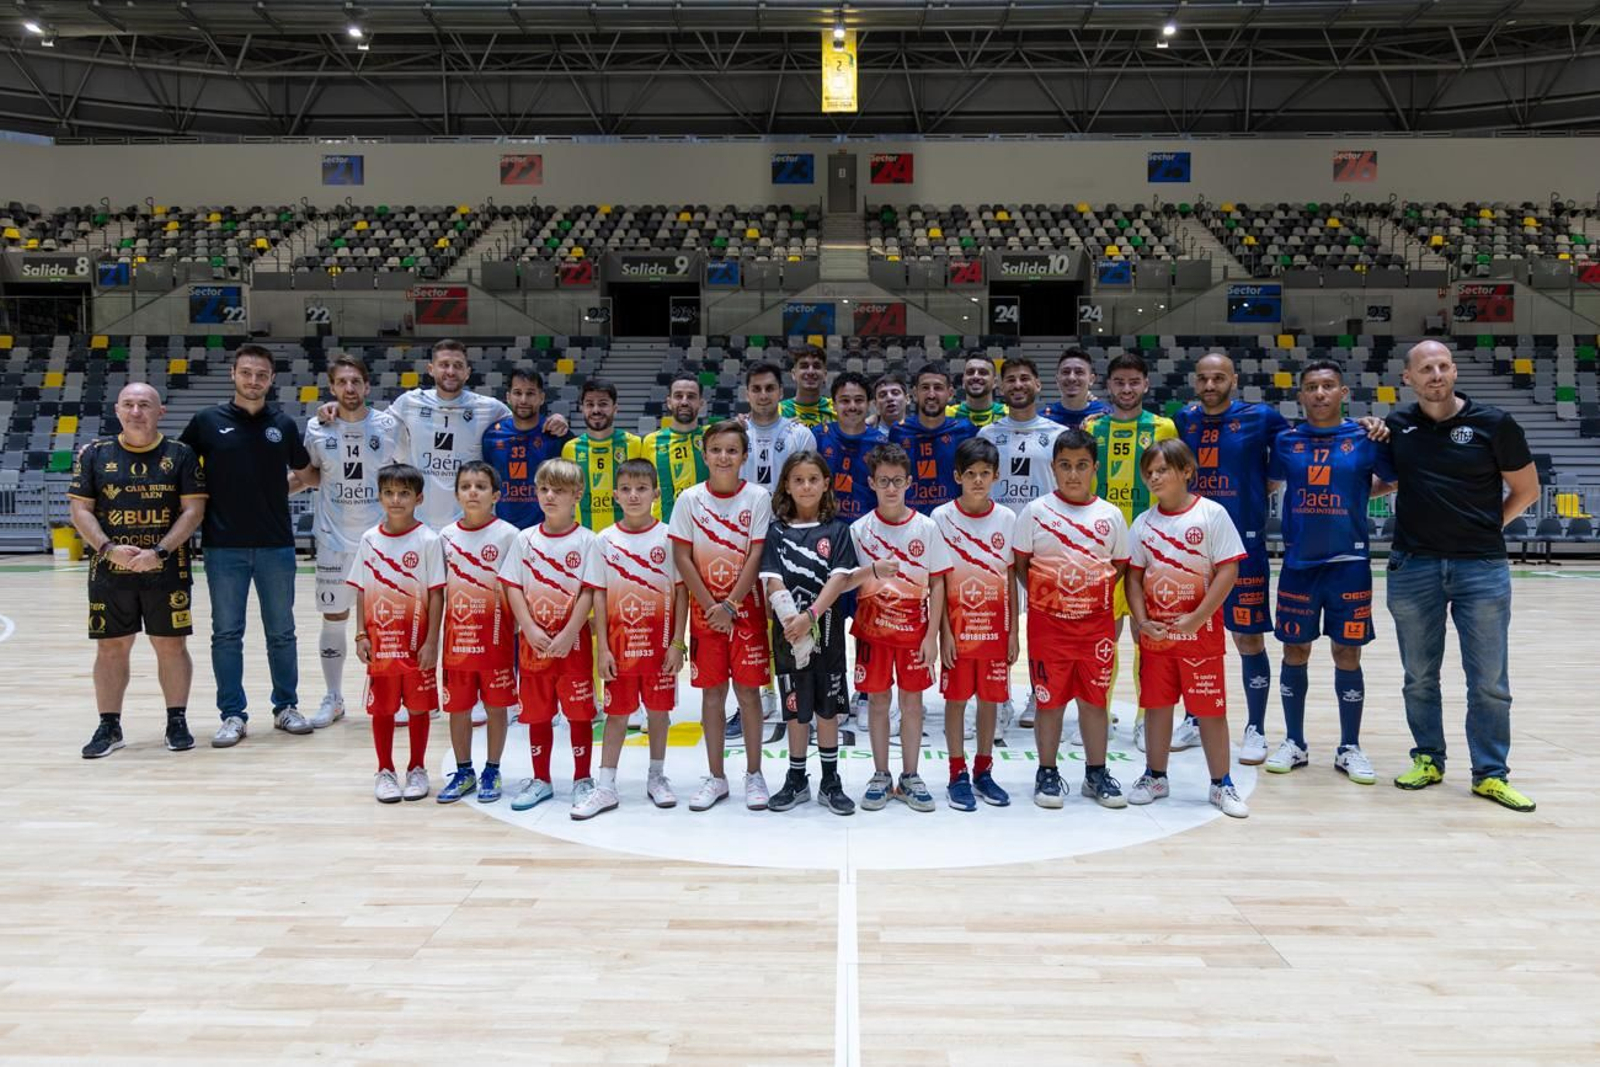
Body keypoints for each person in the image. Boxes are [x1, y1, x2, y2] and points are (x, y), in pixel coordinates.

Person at [1383, 339, 1539, 812]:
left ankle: (1490, 773)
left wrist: (1490, 526)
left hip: (1482, 568)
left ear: (1454, 372)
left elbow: (1527, 490)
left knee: (1489, 679)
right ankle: (1428, 758)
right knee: (1419, 676)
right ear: (1407, 378)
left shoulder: (1494, 424)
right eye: (1426, 368)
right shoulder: (1397, 426)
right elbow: (1383, 478)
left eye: (1444, 366)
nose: (1437, 374)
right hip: (1414, 566)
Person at [1265, 361, 1397, 785]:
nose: (1319, 393)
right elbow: (1267, 485)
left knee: (1347, 653)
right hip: (1298, 565)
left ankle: (1349, 746)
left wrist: (1360, 493)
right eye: (1310, 388)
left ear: (1343, 392)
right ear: (1300, 396)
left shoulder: (1366, 437)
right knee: (1294, 651)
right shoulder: (1286, 442)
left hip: (1350, 565)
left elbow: (1390, 481)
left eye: (1327, 386)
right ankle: (1294, 742)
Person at [180, 344, 317, 747]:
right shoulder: (207, 422)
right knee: (226, 634)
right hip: (223, 546)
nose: (253, 380)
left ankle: (286, 707)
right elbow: (175, 465)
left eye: (261, 374)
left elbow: (307, 473)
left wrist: (278, 491)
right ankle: (232, 715)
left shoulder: (284, 425)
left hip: (276, 544)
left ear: (271, 379)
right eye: (246, 373)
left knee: (282, 632)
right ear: (234, 374)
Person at [70, 383, 208, 759]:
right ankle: (109, 725)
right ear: (117, 410)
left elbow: (193, 511)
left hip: (166, 568)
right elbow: (80, 511)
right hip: (109, 571)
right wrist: (106, 548)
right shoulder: (94, 455)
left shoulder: (180, 455)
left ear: (159, 412)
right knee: (111, 648)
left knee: (171, 645)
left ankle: (176, 720)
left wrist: (160, 551)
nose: (136, 412)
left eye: (144, 405)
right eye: (128, 405)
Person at [1173, 353, 1290, 766]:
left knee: (1247, 638)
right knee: (1191, 635)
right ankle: (1192, 715)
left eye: (1218, 378)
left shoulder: (1263, 418)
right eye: (1203, 378)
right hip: (1188, 546)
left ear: (1233, 380)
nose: (1209, 385)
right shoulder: (1183, 420)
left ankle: (1255, 726)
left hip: (1244, 543)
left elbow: (1279, 471)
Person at [1124, 440, 1249, 819]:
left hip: (1201, 636)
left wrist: (1197, 617)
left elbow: (1228, 570)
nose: (1154, 478)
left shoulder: (1211, 515)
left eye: (1162, 470)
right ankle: (1155, 776)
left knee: (1209, 710)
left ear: (1187, 471)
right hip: (1157, 637)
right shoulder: (1143, 523)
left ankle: (1222, 783)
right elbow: (1133, 576)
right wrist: (1141, 619)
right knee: (1157, 706)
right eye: (1149, 473)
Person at [1013, 429, 1131, 810]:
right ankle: (1046, 771)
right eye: (1065, 466)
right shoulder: (1036, 512)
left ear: (1095, 468)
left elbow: (1119, 568)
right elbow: (1021, 566)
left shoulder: (1110, 516)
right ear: (1053, 468)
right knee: (1049, 702)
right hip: (1049, 628)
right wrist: (1051, 595)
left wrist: (1085, 597)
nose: (1073, 474)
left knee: (1095, 702)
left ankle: (1096, 772)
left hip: (1094, 628)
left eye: (1082, 466)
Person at [760, 450, 880, 816]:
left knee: (827, 712)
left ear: (826, 484)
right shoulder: (777, 531)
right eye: (798, 480)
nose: (806, 486)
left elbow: (839, 579)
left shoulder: (838, 530)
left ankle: (831, 781)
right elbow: (772, 580)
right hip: (788, 635)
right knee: (796, 711)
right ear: (787, 486)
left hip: (825, 635)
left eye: (813, 479)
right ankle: (797, 779)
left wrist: (809, 617)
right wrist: (791, 622)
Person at [668, 420, 774, 811]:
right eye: (716, 450)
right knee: (712, 696)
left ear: (745, 456)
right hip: (704, 616)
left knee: (748, 694)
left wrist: (730, 605)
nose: (724, 457)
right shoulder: (689, 499)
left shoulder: (758, 498)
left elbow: (756, 555)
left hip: (746, 613)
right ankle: (716, 777)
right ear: (704, 453)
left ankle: (754, 773)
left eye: (732, 450)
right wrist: (712, 607)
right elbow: (682, 556)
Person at [297, 354, 405, 730]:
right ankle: (334, 697)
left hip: (381, 541)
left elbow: (404, 475)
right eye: (342, 382)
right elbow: (310, 474)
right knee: (334, 617)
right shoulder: (316, 427)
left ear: (367, 386)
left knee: (387, 622)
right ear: (332, 388)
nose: (349, 389)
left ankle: (392, 696)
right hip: (332, 540)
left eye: (355, 382)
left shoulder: (389, 425)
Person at [580, 458, 689, 819]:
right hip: (620, 650)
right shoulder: (604, 540)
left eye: (642, 488)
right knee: (616, 715)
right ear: (614, 495)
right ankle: (606, 785)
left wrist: (677, 643)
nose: (633, 495)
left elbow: (681, 593)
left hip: (659, 650)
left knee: (659, 714)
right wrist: (603, 650)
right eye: (626, 488)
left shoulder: (669, 537)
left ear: (657, 493)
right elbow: (597, 596)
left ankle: (657, 777)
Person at [1081, 353, 1178, 747]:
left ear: (1145, 384)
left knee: (1146, 636)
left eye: (1133, 381)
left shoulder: (1162, 426)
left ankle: (1144, 716)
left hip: (1149, 546)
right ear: (1109, 386)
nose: (1126, 389)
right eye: (1119, 382)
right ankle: (1099, 714)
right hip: (1101, 546)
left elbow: (1171, 482)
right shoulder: (1092, 426)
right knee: (1103, 637)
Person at [849, 442, 952, 813]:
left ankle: (910, 776)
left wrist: (932, 637)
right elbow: (846, 582)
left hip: (914, 634)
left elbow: (938, 583)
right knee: (877, 703)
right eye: (883, 481)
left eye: (897, 481)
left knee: (912, 704)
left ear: (909, 482)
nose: (891, 488)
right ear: (872, 484)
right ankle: (880, 774)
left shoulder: (927, 528)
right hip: (872, 634)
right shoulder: (858, 530)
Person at [499, 458, 600, 813]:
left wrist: (570, 630)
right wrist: (527, 626)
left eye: (559, 490)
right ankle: (541, 778)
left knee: (579, 714)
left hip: (573, 646)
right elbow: (511, 585)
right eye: (544, 489)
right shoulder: (524, 539)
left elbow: (589, 591)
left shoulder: (589, 541)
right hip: (533, 647)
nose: (550, 496)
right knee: (538, 715)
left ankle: (582, 778)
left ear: (578, 495)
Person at [346, 463, 444, 803]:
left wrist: (432, 641)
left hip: (417, 645)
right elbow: (361, 588)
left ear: (418, 498)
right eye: (389, 493)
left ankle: (417, 767)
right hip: (382, 642)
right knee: (383, 709)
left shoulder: (429, 540)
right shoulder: (370, 540)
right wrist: (361, 634)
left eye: (404, 493)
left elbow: (436, 593)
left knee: (418, 708)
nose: (396, 499)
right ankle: (385, 770)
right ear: (379, 496)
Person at [932, 438, 1018, 811]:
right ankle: (956, 773)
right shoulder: (940, 518)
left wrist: (1014, 631)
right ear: (957, 477)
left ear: (997, 476)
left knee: (990, 701)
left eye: (985, 474)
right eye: (971, 474)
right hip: (958, 629)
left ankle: (984, 769)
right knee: (955, 701)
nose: (978, 481)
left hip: (995, 629)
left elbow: (1010, 578)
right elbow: (938, 580)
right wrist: (943, 634)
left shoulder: (1008, 519)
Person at [435, 462, 521, 804]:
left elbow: (517, 587)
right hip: (457, 642)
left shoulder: (509, 535)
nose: (473, 492)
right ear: (456, 494)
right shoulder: (444, 537)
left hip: (497, 642)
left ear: (495, 495)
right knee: (459, 709)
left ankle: (492, 768)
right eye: (466, 486)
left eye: (481, 486)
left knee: (496, 708)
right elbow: (436, 592)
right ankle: (464, 770)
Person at [384, 339, 514, 530]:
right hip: (419, 523)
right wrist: (336, 410)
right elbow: (372, 424)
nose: (451, 371)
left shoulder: (490, 408)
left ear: (467, 372)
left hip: (469, 523)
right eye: (444, 365)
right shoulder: (408, 402)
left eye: (458, 366)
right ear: (431, 369)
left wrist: (556, 420)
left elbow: (524, 423)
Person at [482, 368, 571, 530]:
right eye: (517, 393)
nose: (523, 400)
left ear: (541, 397)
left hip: (547, 530)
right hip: (504, 530)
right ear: (508, 396)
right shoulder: (491, 436)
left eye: (530, 393)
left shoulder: (557, 433)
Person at [979, 356, 1067, 515]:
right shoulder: (986, 435)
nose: (1018, 385)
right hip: (1000, 530)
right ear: (1000, 388)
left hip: (1045, 528)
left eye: (1024, 378)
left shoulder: (1059, 434)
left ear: (1038, 384)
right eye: (1011, 380)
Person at [889, 361, 979, 515]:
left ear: (950, 394)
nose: (931, 395)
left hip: (954, 523)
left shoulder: (965, 430)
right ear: (915, 393)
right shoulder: (899, 432)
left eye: (938, 388)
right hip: (910, 524)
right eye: (925, 388)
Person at [561, 378, 643, 533]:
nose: (596, 410)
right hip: (584, 540)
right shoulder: (570, 449)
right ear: (582, 408)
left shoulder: (635, 444)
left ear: (615, 408)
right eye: (590, 404)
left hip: (627, 539)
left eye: (603, 404)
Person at [813, 371, 887, 523]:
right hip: (825, 527)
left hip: (867, 529)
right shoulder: (817, 436)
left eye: (859, 400)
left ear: (869, 404)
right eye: (845, 401)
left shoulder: (882, 443)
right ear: (834, 405)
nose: (852, 406)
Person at [639, 374, 708, 523]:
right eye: (678, 396)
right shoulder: (650, 442)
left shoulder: (712, 436)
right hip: (664, 529)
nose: (684, 401)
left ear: (700, 403)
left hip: (705, 528)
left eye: (691, 396)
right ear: (669, 402)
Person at [742, 360, 816, 493]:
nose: (763, 396)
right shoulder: (736, 434)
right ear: (747, 395)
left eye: (770, 388)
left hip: (786, 514)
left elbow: (808, 488)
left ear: (781, 392)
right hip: (744, 514)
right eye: (756, 389)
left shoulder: (801, 435)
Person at [1040, 348, 1110, 429]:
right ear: (1057, 379)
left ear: (1091, 380)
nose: (1071, 378)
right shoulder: (1044, 419)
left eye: (1079, 372)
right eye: (1066, 372)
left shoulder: (1106, 416)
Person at [778, 345, 837, 427]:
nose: (810, 372)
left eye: (816, 366)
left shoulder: (837, 409)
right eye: (804, 366)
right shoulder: (779, 411)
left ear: (825, 375)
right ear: (794, 374)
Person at [947, 354, 1008, 427]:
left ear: (994, 382)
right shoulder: (947, 415)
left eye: (983, 373)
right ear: (963, 381)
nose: (975, 376)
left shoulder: (1009, 414)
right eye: (970, 372)